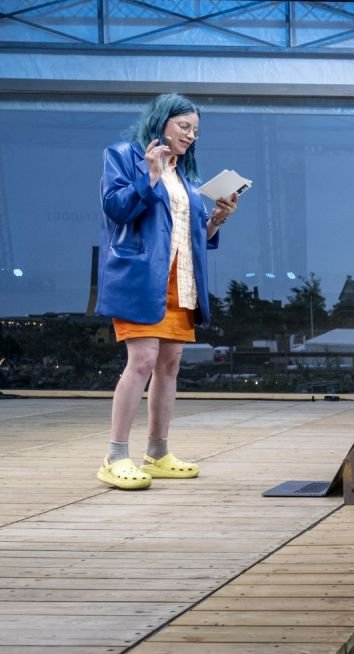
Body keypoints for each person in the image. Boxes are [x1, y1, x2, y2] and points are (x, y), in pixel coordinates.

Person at [96, 92, 238, 490]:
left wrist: (215, 221)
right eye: (184, 126)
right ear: (161, 122)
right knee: (141, 361)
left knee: (169, 366)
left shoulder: (186, 176)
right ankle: (115, 456)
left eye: (195, 130)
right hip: (140, 278)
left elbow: (190, 234)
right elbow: (117, 209)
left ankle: (157, 453)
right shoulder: (124, 154)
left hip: (181, 280)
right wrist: (150, 176)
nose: (191, 135)